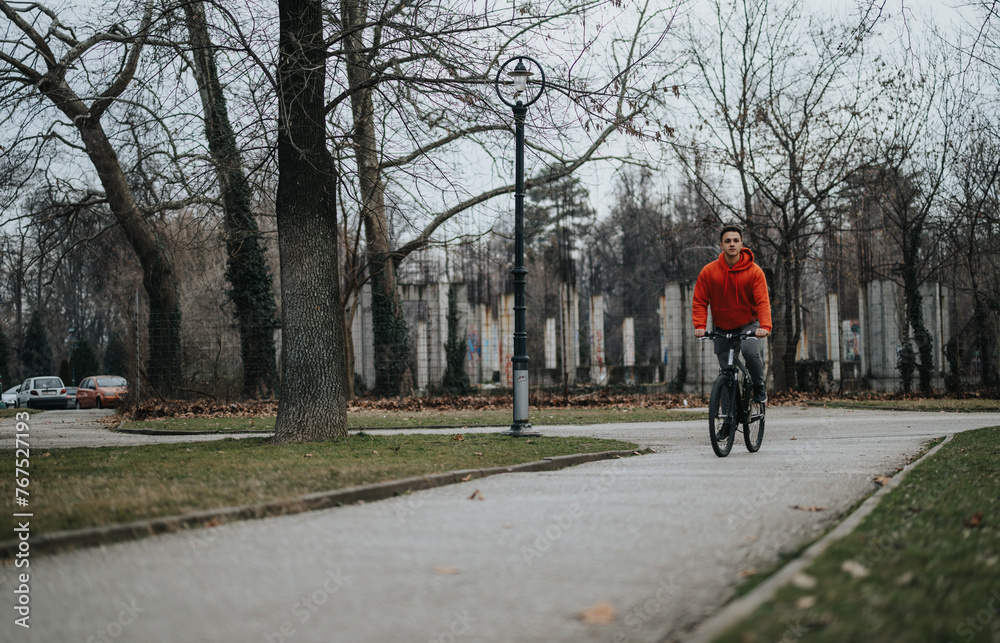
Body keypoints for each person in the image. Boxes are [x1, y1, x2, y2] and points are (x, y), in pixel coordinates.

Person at [692, 225, 771, 403]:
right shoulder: (709, 272)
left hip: (749, 324)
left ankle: (759, 387)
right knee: (726, 374)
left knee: (750, 352)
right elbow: (700, 301)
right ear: (721, 245)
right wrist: (700, 326)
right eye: (728, 241)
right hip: (722, 327)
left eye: (736, 240)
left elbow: (762, 302)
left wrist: (764, 326)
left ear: (742, 244)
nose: (732, 244)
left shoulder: (754, 272)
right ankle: (727, 421)